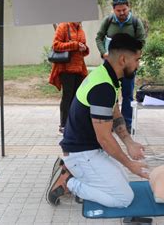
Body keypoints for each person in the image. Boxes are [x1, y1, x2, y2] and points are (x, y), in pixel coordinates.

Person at [46, 33, 149, 208]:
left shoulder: (107, 76)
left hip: (89, 149)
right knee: (124, 198)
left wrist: (129, 142)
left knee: (123, 179)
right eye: (137, 60)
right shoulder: (103, 87)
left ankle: (74, 172)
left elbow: (115, 114)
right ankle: (68, 181)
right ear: (123, 60)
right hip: (81, 153)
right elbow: (105, 139)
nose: (138, 65)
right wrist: (130, 164)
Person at [95, 0, 146, 132]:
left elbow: (141, 42)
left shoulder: (135, 22)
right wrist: (103, 52)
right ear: (113, 10)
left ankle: (127, 124)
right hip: (112, 67)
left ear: (128, 7)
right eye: (118, 10)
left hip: (128, 67)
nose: (122, 13)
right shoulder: (108, 21)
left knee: (128, 94)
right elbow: (99, 38)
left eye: (124, 9)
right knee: (110, 94)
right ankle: (111, 123)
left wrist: (135, 59)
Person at [49, 22, 89, 134]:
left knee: (77, 97)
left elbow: (83, 49)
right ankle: (63, 125)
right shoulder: (63, 26)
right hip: (66, 68)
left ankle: (73, 123)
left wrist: (84, 48)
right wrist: (75, 45)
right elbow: (56, 45)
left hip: (79, 68)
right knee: (67, 96)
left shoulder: (80, 28)